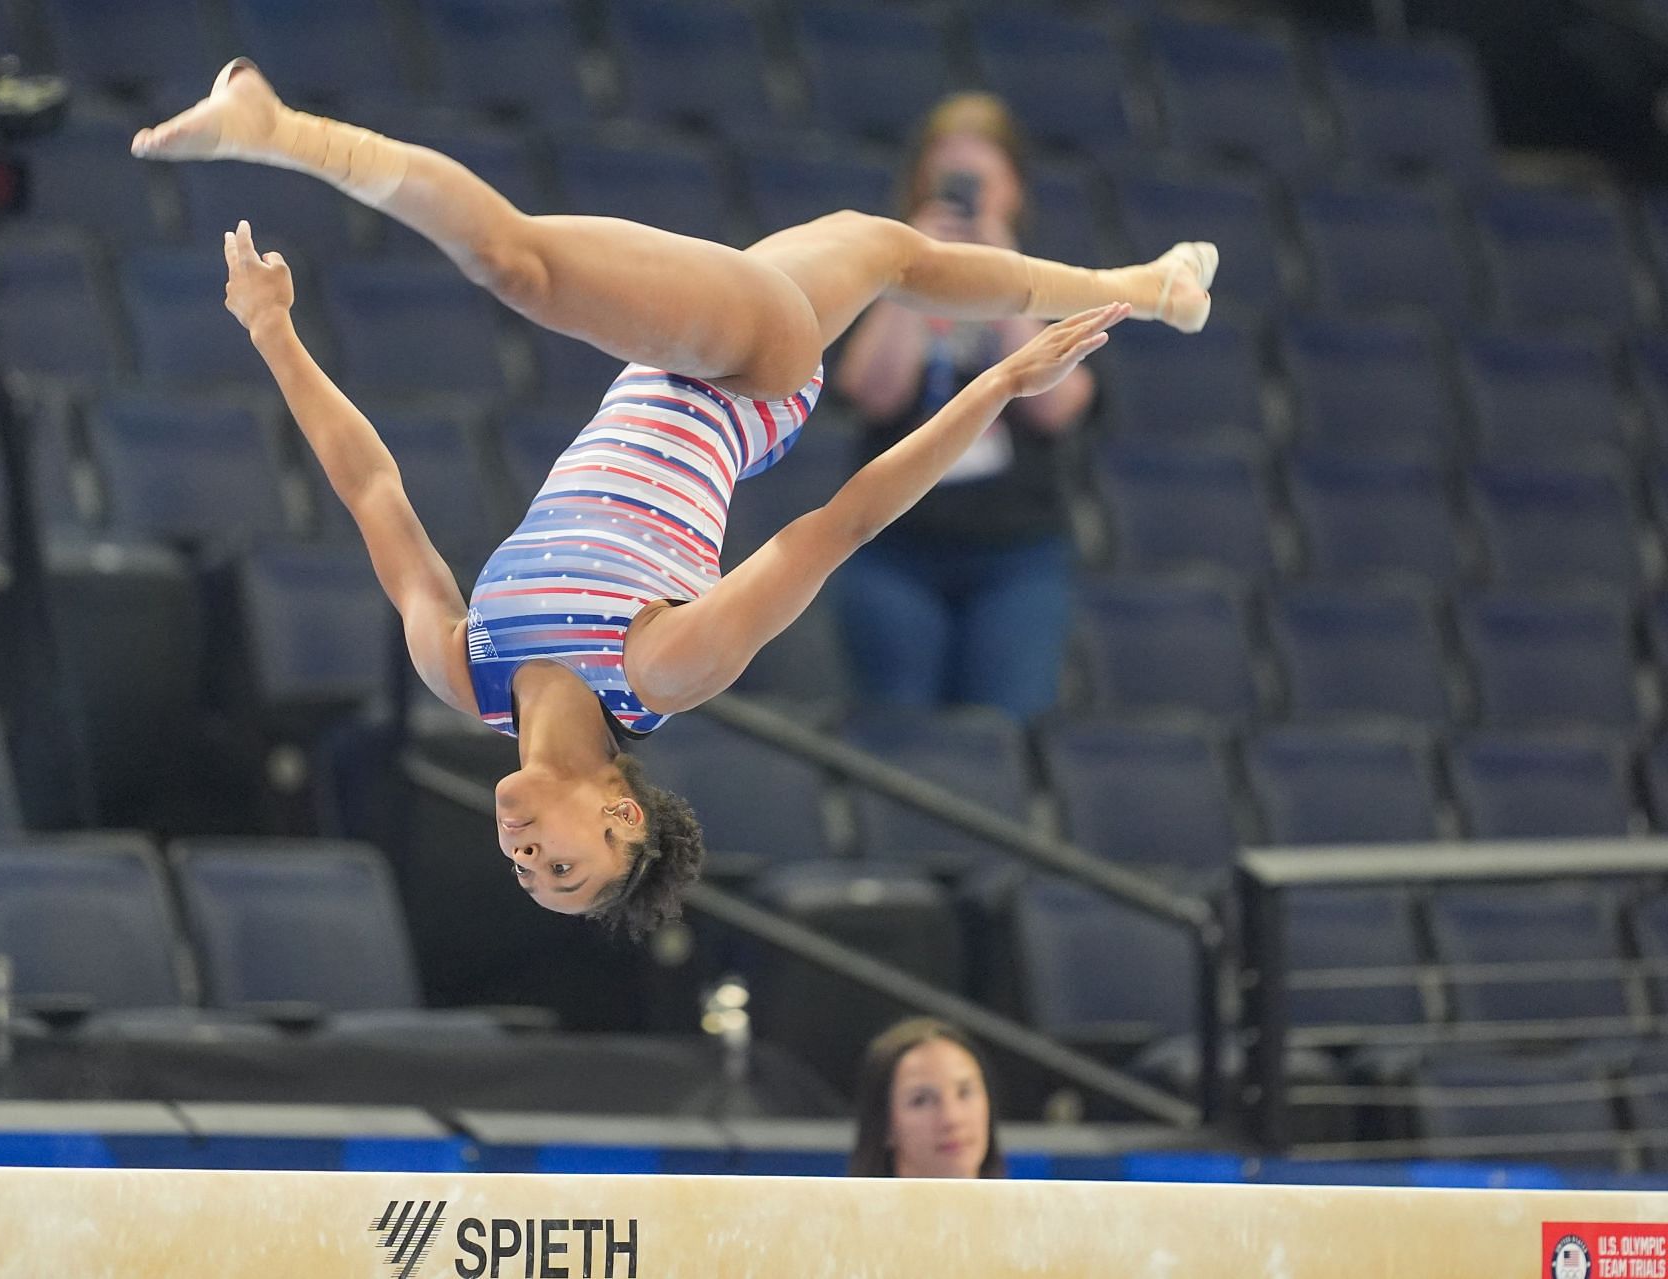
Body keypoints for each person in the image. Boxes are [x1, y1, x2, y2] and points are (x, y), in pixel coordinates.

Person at [133, 60, 1218, 938]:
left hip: (677, 350)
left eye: (531, 877)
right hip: (745, 372)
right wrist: (994, 386)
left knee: (893, 250)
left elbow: (372, 488)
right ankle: (279, 129)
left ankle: (1150, 288)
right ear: (621, 812)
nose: (526, 857)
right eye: (567, 862)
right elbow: (836, 527)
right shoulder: (659, 666)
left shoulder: (469, 670)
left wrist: (273, 334)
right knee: (521, 268)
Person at [834, 93, 1095, 724]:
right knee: (896, 733)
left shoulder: (1055, 276)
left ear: (1014, 190)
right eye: (951, 178)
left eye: (980, 180)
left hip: (1017, 555)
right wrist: (913, 268)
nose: (966, 196)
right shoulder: (879, 270)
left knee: (1002, 737)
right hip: (894, 548)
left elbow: (1058, 406)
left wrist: (1004, 273)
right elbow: (871, 392)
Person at [849, 1017, 1003, 1179]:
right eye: (921, 1100)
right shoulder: (841, 1205)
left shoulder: (1026, 1204)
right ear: (884, 1123)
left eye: (965, 1092)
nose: (952, 1118)